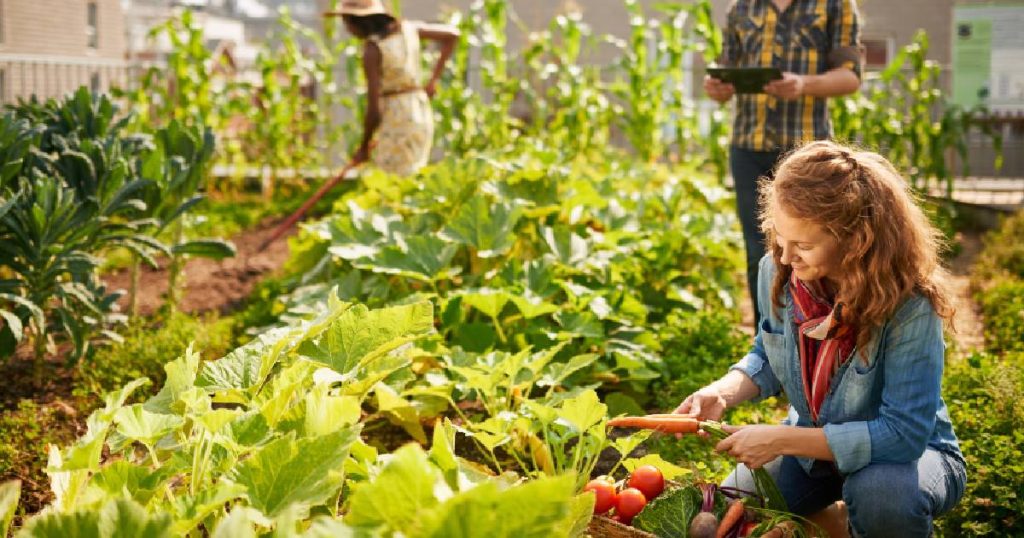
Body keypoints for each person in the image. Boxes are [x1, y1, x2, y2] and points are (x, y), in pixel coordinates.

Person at [675, 141, 967, 537]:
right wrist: (723, 393)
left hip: (907, 459)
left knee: (881, 495)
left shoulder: (909, 304)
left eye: (804, 245)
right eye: (780, 236)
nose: (785, 255)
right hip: (813, 454)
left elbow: (902, 436)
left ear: (855, 239)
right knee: (726, 507)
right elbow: (768, 354)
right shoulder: (777, 272)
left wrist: (781, 439)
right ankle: (836, 523)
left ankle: (858, 518)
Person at [705, 0, 863, 326]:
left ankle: (816, 333)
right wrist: (716, 88)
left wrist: (804, 84)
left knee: (815, 249)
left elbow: (850, 77)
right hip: (748, 146)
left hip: (807, 152)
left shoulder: (834, 5)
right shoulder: (742, 8)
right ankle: (768, 343)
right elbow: (725, 75)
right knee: (758, 252)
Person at [324, 0, 459, 176]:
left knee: (391, 182)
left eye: (347, 23)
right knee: (412, 178)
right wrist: (432, 81)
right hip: (419, 109)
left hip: (396, 118)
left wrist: (364, 147)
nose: (348, 30)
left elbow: (374, 110)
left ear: (358, 22)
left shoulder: (373, 49)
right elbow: (452, 35)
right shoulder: (409, 30)